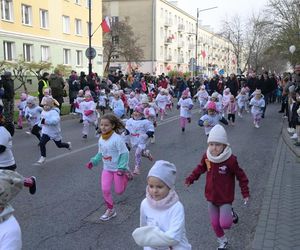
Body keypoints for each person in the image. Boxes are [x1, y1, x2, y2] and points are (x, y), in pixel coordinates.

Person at [185, 125, 250, 250]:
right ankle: (223, 241)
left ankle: (230, 213)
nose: (214, 148)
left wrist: (245, 192)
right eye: (211, 144)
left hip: (225, 198)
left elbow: (241, 176)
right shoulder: (207, 157)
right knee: (215, 223)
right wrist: (191, 179)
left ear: (225, 146)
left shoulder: (230, 160)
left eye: (218, 145)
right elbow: (201, 168)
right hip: (211, 196)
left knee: (225, 224)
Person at [132, 160, 191, 250]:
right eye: (151, 186)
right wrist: (149, 243)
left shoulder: (176, 207)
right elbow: (144, 230)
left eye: (159, 187)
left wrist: (152, 236)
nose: (154, 191)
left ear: (169, 187)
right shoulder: (145, 204)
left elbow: (174, 237)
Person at [85, 114, 131, 221]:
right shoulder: (101, 138)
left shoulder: (117, 139)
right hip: (107, 169)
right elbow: (100, 153)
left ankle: (125, 176)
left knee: (119, 191)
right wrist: (93, 161)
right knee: (105, 189)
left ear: (113, 126)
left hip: (118, 169)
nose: (103, 127)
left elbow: (124, 154)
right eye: (101, 125)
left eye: (106, 125)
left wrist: (121, 168)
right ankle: (110, 210)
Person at [36, 97, 71, 164]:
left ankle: (67, 145)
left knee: (59, 145)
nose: (45, 107)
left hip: (55, 132)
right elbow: (41, 120)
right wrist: (39, 125)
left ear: (51, 106)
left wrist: (46, 121)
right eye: (44, 105)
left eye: (47, 105)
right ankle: (43, 157)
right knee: (42, 143)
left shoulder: (54, 112)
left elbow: (55, 121)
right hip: (46, 132)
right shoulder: (43, 112)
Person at [125, 105, 155, 175]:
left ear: (141, 113)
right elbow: (127, 129)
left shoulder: (146, 122)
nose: (135, 113)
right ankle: (147, 153)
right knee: (140, 153)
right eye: (135, 111)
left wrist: (146, 135)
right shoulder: (130, 121)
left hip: (142, 140)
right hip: (133, 140)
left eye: (137, 111)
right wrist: (125, 133)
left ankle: (137, 168)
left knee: (137, 153)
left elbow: (151, 130)